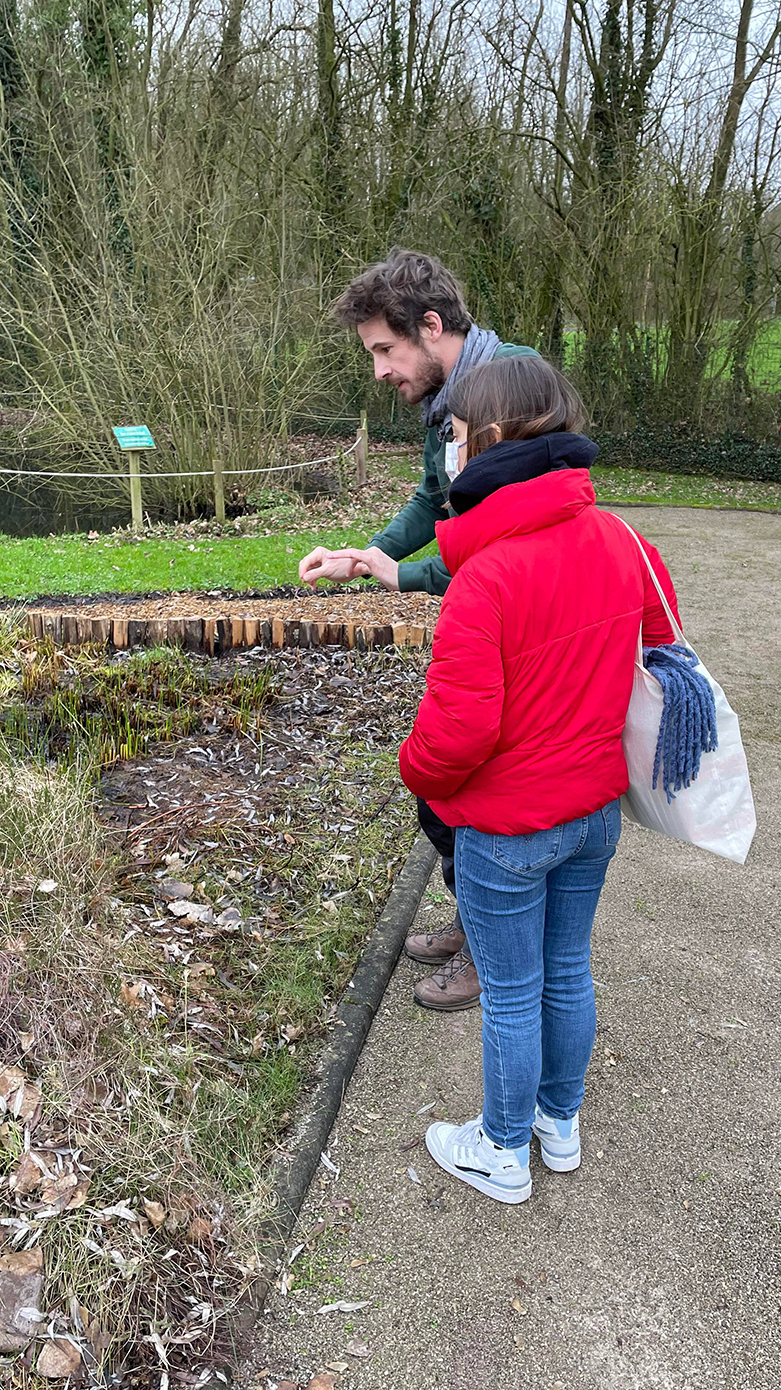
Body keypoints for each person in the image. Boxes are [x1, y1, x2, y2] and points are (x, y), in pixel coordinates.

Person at [397, 356, 681, 1204]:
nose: (446, 453)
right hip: (595, 813)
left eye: (450, 436)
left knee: (514, 993)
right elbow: (662, 649)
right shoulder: (624, 542)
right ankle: (560, 1126)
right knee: (567, 972)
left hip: (509, 831)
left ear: (485, 439)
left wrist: (413, 771)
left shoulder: (484, 578)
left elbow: (457, 736)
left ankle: (501, 1150)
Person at [298, 249, 540, 1011]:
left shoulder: (512, 392)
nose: (377, 372)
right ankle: (477, 923)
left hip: (520, 636)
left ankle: (496, 952)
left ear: (429, 328)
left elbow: (503, 543)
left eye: (383, 350)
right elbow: (435, 498)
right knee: (442, 801)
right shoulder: (449, 404)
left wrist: (409, 578)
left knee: (483, 799)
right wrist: (368, 554)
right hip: (479, 627)